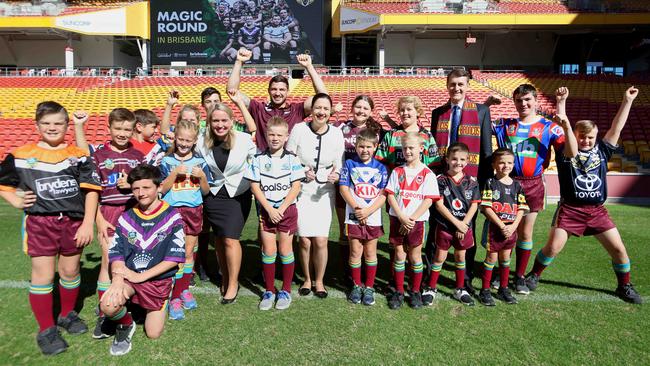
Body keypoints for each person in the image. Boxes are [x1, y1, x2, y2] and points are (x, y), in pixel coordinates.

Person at [0, 101, 101, 355]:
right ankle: (46, 328)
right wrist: (15, 199)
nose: (52, 128)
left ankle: (67, 314)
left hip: (73, 222)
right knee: (43, 276)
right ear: (37, 125)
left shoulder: (78, 155)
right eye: (46, 123)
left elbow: (91, 191)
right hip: (40, 223)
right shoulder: (21, 155)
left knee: (69, 271)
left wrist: (88, 222)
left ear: (67, 125)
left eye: (58, 123)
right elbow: (4, 182)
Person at [525, 86, 642, 304]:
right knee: (553, 248)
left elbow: (617, 128)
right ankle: (534, 275)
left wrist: (627, 101)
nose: (586, 141)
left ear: (595, 137)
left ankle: (624, 285)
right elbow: (564, 125)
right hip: (570, 209)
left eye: (590, 138)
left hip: (597, 211)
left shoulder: (602, 151)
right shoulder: (565, 152)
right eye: (582, 137)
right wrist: (561, 103)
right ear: (575, 136)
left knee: (619, 250)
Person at [73, 108, 145, 340]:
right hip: (109, 213)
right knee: (109, 263)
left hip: (133, 213)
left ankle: (127, 302)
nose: (123, 133)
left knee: (133, 261)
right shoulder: (100, 155)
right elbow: (92, 187)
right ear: (109, 129)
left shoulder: (137, 155)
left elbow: (145, 186)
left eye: (127, 129)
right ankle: (106, 314)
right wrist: (99, 219)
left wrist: (131, 185)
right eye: (118, 128)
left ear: (133, 130)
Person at [102, 165, 186, 356]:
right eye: (136, 188)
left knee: (153, 333)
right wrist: (117, 281)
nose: (141, 193)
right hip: (130, 278)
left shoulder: (172, 216)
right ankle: (126, 323)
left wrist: (140, 277)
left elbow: (174, 259)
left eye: (146, 188)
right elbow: (116, 252)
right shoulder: (126, 217)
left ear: (159, 187)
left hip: (157, 280)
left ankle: (158, 301)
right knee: (107, 305)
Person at [492, 84, 565, 294]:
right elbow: (478, 123)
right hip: (508, 183)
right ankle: (502, 272)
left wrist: (561, 106)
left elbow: (567, 147)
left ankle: (520, 276)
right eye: (519, 100)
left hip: (533, 184)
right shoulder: (506, 125)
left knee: (525, 232)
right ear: (514, 102)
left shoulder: (549, 127)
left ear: (536, 101)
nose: (523, 104)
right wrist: (486, 105)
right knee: (505, 230)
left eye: (527, 100)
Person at [428, 69, 494, 292]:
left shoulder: (482, 111)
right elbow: (432, 150)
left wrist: (484, 185)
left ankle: (464, 282)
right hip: (441, 182)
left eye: (461, 85)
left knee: (467, 233)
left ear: (467, 86)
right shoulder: (438, 113)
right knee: (435, 231)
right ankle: (430, 280)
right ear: (447, 86)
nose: (456, 88)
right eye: (453, 84)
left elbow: (486, 151)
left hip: (469, 184)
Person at [195, 103, 257, 303]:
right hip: (213, 195)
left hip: (238, 194)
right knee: (220, 239)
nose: (220, 125)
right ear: (209, 122)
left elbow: (256, 162)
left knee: (231, 239)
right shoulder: (201, 142)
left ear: (231, 121)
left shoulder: (245, 140)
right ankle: (225, 276)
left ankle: (233, 283)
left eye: (224, 120)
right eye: (215, 121)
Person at [286, 93, 344, 298]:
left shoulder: (337, 133)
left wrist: (336, 174)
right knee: (304, 240)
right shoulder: (299, 129)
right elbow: (289, 155)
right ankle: (306, 279)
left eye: (326, 109)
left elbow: (340, 161)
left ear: (330, 112)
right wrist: (301, 171)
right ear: (311, 110)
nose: (321, 112)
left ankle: (319, 281)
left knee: (320, 240)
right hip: (302, 190)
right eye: (318, 108)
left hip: (324, 192)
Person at [245, 116, 304, 310]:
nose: (275, 138)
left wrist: (281, 208)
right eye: (271, 134)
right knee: (269, 251)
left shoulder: (292, 159)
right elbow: (255, 186)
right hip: (267, 211)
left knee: (286, 250)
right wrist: (269, 209)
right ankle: (269, 291)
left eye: (279, 135)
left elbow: (296, 186)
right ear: (266, 135)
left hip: (286, 210)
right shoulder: (258, 159)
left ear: (286, 137)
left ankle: (285, 290)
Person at [334, 95, 395, 285]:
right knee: (347, 234)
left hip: (371, 188)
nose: (361, 110)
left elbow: (397, 133)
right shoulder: (340, 127)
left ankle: (366, 280)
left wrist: (388, 119)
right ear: (352, 108)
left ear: (371, 111)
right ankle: (348, 273)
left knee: (368, 240)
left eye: (365, 108)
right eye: (358, 107)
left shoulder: (376, 130)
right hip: (347, 184)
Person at [160, 120, 213, 320]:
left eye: (188, 140)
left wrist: (202, 178)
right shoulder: (166, 161)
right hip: (171, 211)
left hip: (193, 210)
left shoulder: (200, 162)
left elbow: (206, 192)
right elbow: (161, 190)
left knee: (189, 253)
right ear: (174, 138)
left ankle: (182, 289)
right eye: (180, 139)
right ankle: (174, 296)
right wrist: (175, 173)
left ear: (194, 141)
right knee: (174, 254)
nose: (183, 144)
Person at [227, 48, 328, 151]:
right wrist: (239, 62)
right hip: (264, 162)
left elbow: (324, 97)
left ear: (288, 91)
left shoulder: (297, 110)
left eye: (282, 90)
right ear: (269, 91)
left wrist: (309, 67)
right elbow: (232, 91)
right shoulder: (259, 109)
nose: (277, 93)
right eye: (274, 89)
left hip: (291, 163)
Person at [385, 132, 440, 310]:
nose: (408, 151)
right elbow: (390, 195)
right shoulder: (397, 171)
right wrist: (401, 216)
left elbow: (429, 200)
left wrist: (412, 218)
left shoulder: (427, 174)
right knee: (399, 255)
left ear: (421, 149)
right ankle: (399, 291)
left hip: (417, 222)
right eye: (405, 148)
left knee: (415, 257)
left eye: (411, 148)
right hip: (397, 219)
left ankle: (415, 290)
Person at [424, 142, 480, 306]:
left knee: (460, 256)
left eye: (462, 159)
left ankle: (460, 288)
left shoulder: (472, 181)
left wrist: (464, 224)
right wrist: (457, 223)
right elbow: (439, 205)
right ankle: (431, 287)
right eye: (454, 159)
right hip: (446, 227)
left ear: (468, 160)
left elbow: (475, 204)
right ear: (447, 159)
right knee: (439, 256)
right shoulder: (440, 180)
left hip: (464, 227)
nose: (458, 162)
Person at [339, 128, 388, 306]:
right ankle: (356, 285)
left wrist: (368, 211)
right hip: (353, 215)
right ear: (356, 146)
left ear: (375, 147)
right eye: (361, 146)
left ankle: (369, 287)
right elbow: (343, 188)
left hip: (373, 216)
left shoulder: (381, 168)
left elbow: (383, 194)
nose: (364, 150)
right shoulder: (350, 165)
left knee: (370, 252)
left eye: (368, 147)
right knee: (355, 252)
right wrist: (358, 208)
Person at [478, 148, 528, 306]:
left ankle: (503, 288)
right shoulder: (490, 183)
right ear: (494, 164)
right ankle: (485, 290)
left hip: (510, 230)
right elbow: (486, 208)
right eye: (501, 162)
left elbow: (521, 208)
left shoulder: (518, 185)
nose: (506, 165)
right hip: (495, 228)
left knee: (506, 258)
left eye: (509, 162)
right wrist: (501, 225)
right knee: (491, 258)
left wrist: (513, 227)